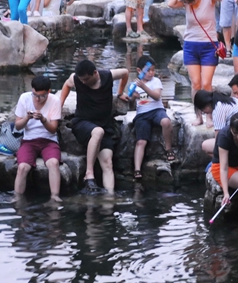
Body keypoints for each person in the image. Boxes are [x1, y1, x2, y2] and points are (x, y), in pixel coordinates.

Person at [59, 60, 129, 193]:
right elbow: (67, 85)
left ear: (95, 73)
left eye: (86, 79)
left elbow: (125, 73)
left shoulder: (107, 76)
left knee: (108, 163)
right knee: (98, 132)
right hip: (82, 124)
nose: (83, 82)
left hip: (105, 126)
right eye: (81, 80)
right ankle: (89, 174)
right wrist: (59, 106)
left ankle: (109, 198)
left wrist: (120, 92)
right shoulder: (76, 79)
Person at [168, 0, 230, 126]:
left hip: (209, 46)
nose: (189, 4)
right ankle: (198, 116)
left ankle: (209, 116)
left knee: (206, 83)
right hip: (190, 46)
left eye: (191, 1)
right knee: (195, 83)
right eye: (186, 2)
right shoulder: (186, 1)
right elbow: (170, 3)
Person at [120, 56, 175, 179]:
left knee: (166, 121)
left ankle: (169, 149)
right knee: (141, 141)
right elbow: (132, 105)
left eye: (153, 70)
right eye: (148, 70)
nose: (151, 73)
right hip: (142, 114)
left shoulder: (155, 81)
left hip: (156, 110)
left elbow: (156, 96)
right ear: (139, 71)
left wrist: (144, 87)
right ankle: (137, 169)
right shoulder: (133, 85)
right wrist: (133, 97)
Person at [12, 75, 63, 201]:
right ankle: (17, 198)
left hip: (49, 140)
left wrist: (43, 119)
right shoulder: (24, 98)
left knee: (53, 163)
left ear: (48, 92)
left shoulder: (55, 101)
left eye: (41, 96)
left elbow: (53, 129)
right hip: (29, 141)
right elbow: (18, 127)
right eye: (35, 95)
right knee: (23, 166)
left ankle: (54, 197)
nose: (37, 99)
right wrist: (27, 118)